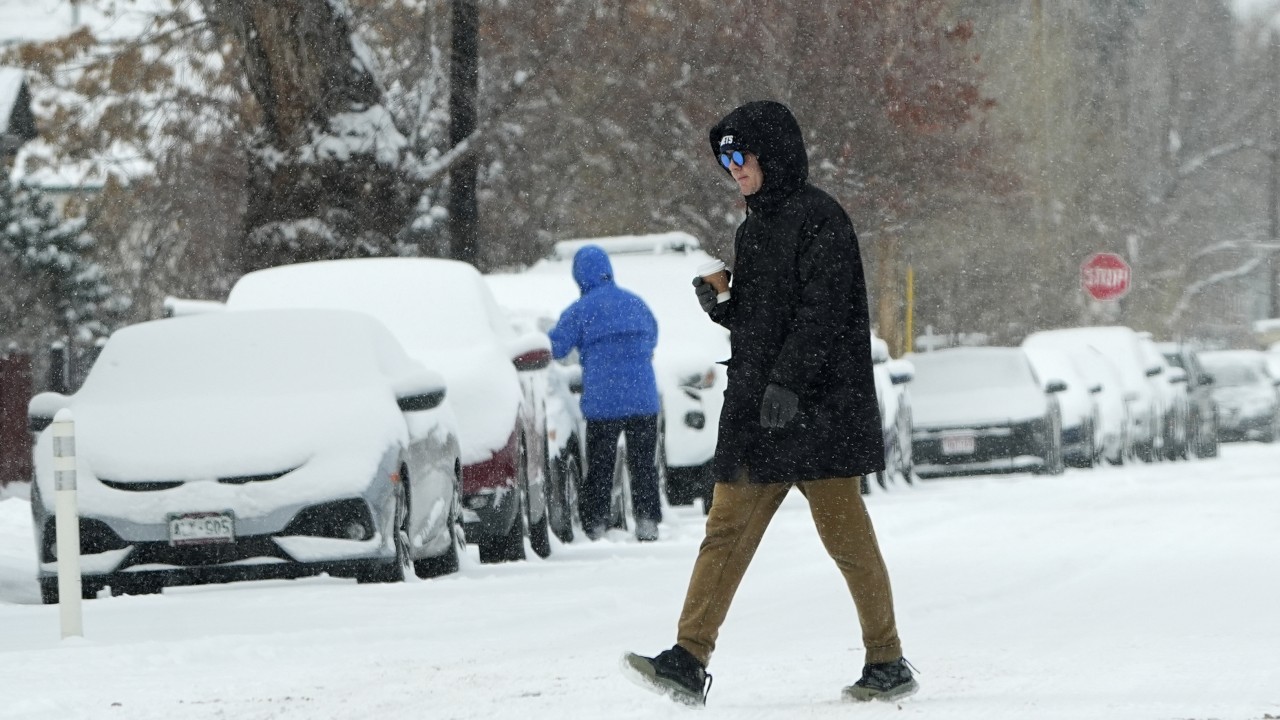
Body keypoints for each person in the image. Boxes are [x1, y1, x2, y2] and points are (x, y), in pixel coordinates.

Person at [621, 101, 916, 705]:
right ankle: (687, 657)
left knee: (846, 538)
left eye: (741, 155)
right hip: (764, 412)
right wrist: (726, 307)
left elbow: (824, 315)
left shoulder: (820, 220)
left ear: (773, 154)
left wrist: (788, 381)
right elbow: (766, 319)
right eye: (724, 158)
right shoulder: (754, 226)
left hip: (820, 411)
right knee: (724, 530)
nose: (733, 168)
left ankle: (886, 660)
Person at [548, 245, 663, 542]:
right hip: (642, 398)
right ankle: (647, 521)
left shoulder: (580, 311)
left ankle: (595, 524)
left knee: (600, 465)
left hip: (603, 400)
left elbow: (556, 348)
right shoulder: (635, 303)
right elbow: (652, 335)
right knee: (643, 464)